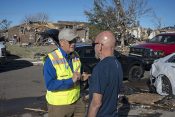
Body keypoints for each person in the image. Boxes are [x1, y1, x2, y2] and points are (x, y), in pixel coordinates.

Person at [43, 28, 83, 117]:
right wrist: (71, 80)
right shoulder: (51, 59)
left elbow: (77, 76)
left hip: (77, 100)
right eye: (70, 41)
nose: (73, 43)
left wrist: (82, 77)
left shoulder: (76, 55)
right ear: (61, 42)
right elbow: (50, 85)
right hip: (59, 106)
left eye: (74, 40)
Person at [87, 31, 123, 117]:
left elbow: (96, 103)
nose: (94, 47)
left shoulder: (100, 68)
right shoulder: (117, 64)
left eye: (94, 44)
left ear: (99, 46)